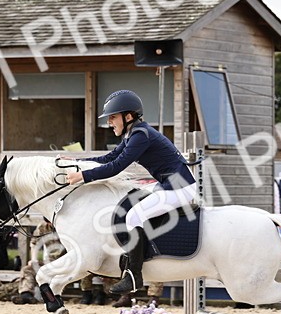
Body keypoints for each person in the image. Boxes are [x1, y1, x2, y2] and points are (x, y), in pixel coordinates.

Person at [67, 89, 197, 294]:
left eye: (113, 117)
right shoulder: (134, 133)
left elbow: (116, 166)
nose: (109, 122)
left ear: (128, 116)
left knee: (133, 216)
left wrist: (83, 177)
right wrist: (77, 162)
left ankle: (134, 276)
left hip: (180, 189)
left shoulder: (140, 136)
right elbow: (108, 158)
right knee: (132, 200)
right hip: (168, 185)